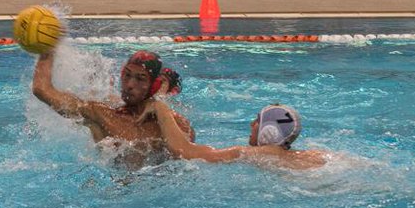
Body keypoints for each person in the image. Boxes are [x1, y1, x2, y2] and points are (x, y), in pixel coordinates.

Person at [32, 48, 193, 161]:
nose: (129, 84)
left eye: (140, 79)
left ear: (154, 86)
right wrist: (48, 50)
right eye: (127, 75)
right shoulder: (101, 113)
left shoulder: (180, 126)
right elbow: (42, 90)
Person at [141, 98, 329, 170]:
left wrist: (160, 108)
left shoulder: (257, 153)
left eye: (257, 121)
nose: (251, 124)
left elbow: (186, 152)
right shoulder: (312, 155)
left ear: (268, 130)